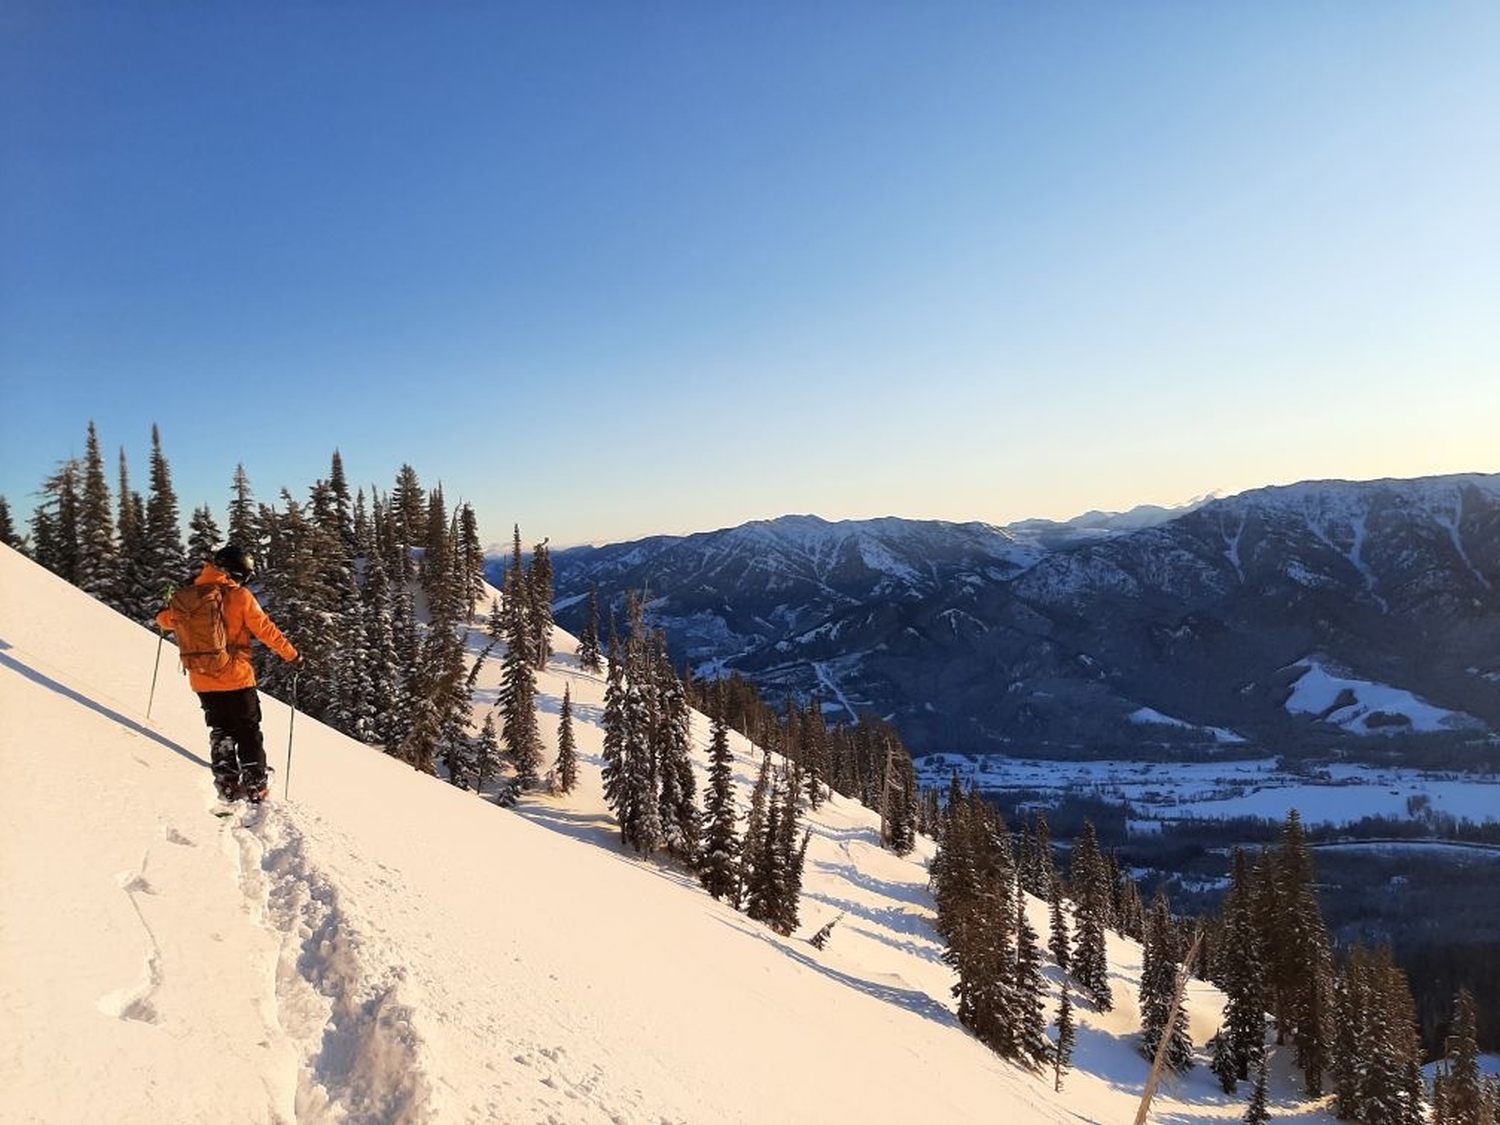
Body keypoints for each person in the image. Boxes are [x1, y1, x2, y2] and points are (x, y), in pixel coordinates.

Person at [157, 544, 301, 802]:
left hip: (201, 677)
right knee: (247, 728)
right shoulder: (239, 597)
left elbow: (165, 621)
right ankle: (255, 782)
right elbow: (267, 631)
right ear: (240, 573)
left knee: (220, 728)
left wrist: (164, 611)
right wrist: (293, 656)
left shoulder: (190, 595)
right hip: (235, 675)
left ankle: (226, 779)